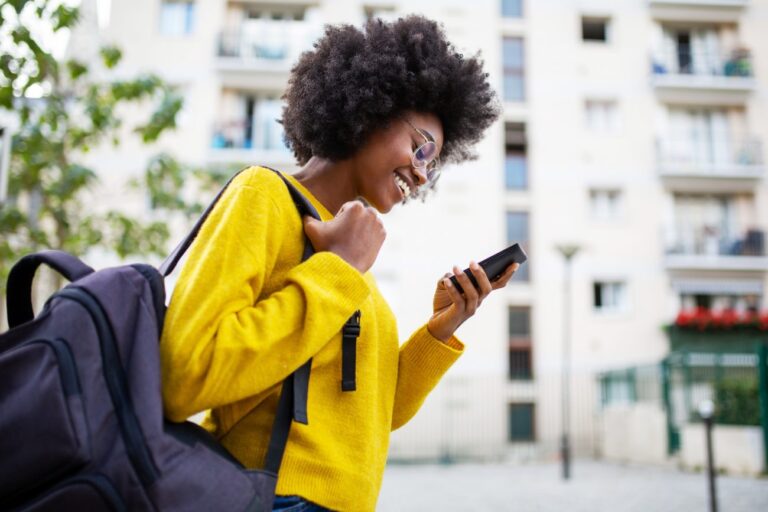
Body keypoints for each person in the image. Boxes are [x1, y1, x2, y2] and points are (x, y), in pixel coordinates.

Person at [160, 15, 515, 511]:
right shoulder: (265, 196)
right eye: (421, 148)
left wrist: (443, 326)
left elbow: (375, 412)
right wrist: (337, 270)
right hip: (273, 497)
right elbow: (186, 375)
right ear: (371, 110)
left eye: (433, 166)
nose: (422, 173)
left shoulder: (352, 252)